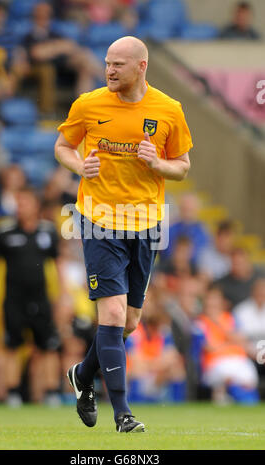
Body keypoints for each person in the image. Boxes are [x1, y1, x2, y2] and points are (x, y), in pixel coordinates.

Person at [55, 36, 192, 432]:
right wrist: (79, 166)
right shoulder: (89, 103)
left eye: (118, 64)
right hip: (98, 219)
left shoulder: (169, 110)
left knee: (129, 323)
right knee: (111, 313)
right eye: (107, 63)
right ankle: (123, 413)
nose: (109, 70)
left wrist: (158, 163)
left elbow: (181, 166)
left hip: (146, 223)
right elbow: (63, 146)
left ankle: (82, 375)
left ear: (141, 66)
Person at [0, 187, 63, 406]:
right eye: (18, 203)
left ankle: (51, 392)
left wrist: (62, 296)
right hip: (13, 299)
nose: (21, 208)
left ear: (36, 205)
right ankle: (13, 393)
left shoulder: (48, 232)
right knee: (11, 344)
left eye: (25, 203)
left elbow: (58, 266)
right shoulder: (4, 233)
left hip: (41, 298)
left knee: (48, 345)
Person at [159, 193, 210, 265]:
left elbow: (201, 254)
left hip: (193, 270)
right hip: (170, 268)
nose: (187, 214)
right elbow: (166, 252)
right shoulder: (171, 229)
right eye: (185, 209)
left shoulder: (202, 232)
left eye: (190, 210)